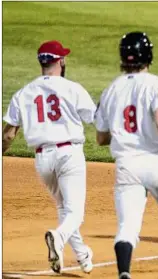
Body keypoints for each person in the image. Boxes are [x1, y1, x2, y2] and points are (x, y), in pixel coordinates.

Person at [94, 31, 158, 279]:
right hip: (157, 162)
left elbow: (100, 138)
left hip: (126, 164)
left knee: (127, 225)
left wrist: (120, 133)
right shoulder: (157, 84)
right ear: (148, 54)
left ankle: (124, 272)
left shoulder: (111, 90)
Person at [2, 40, 96, 273]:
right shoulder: (72, 88)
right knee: (75, 212)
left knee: (64, 208)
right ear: (61, 61)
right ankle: (58, 237)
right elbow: (96, 119)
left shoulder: (23, 93)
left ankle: (83, 256)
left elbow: (8, 135)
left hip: (42, 160)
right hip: (69, 154)